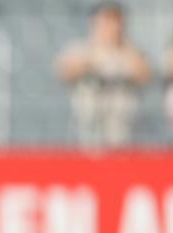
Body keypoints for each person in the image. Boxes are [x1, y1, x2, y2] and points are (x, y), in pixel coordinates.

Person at [55, 2, 151, 148]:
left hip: (122, 121)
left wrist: (120, 49)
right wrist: (92, 58)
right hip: (87, 123)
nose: (110, 26)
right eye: (105, 20)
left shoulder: (131, 51)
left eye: (114, 21)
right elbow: (64, 71)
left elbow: (144, 74)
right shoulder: (80, 48)